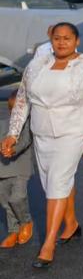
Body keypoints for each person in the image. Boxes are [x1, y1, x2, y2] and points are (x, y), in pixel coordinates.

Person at [1, 22, 83, 268]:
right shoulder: (37, 64)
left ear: (77, 41)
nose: (61, 43)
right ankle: (70, 224)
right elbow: (22, 101)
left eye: (67, 38)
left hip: (73, 132)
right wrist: (13, 134)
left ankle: (48, 245)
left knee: (58, 182)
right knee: (55, 181)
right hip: (42, 133)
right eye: (57, 38)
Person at [0, 91, 34, 248]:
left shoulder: (29, 124)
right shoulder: (4, 124)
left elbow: (25, 140)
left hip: (21, 168)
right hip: (3, 170)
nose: (16, 114)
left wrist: (12, 150)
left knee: (17, 198)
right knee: (6, 201)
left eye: (20, 110)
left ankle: (25, 222)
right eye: (13, 110)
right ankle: (13, 230)